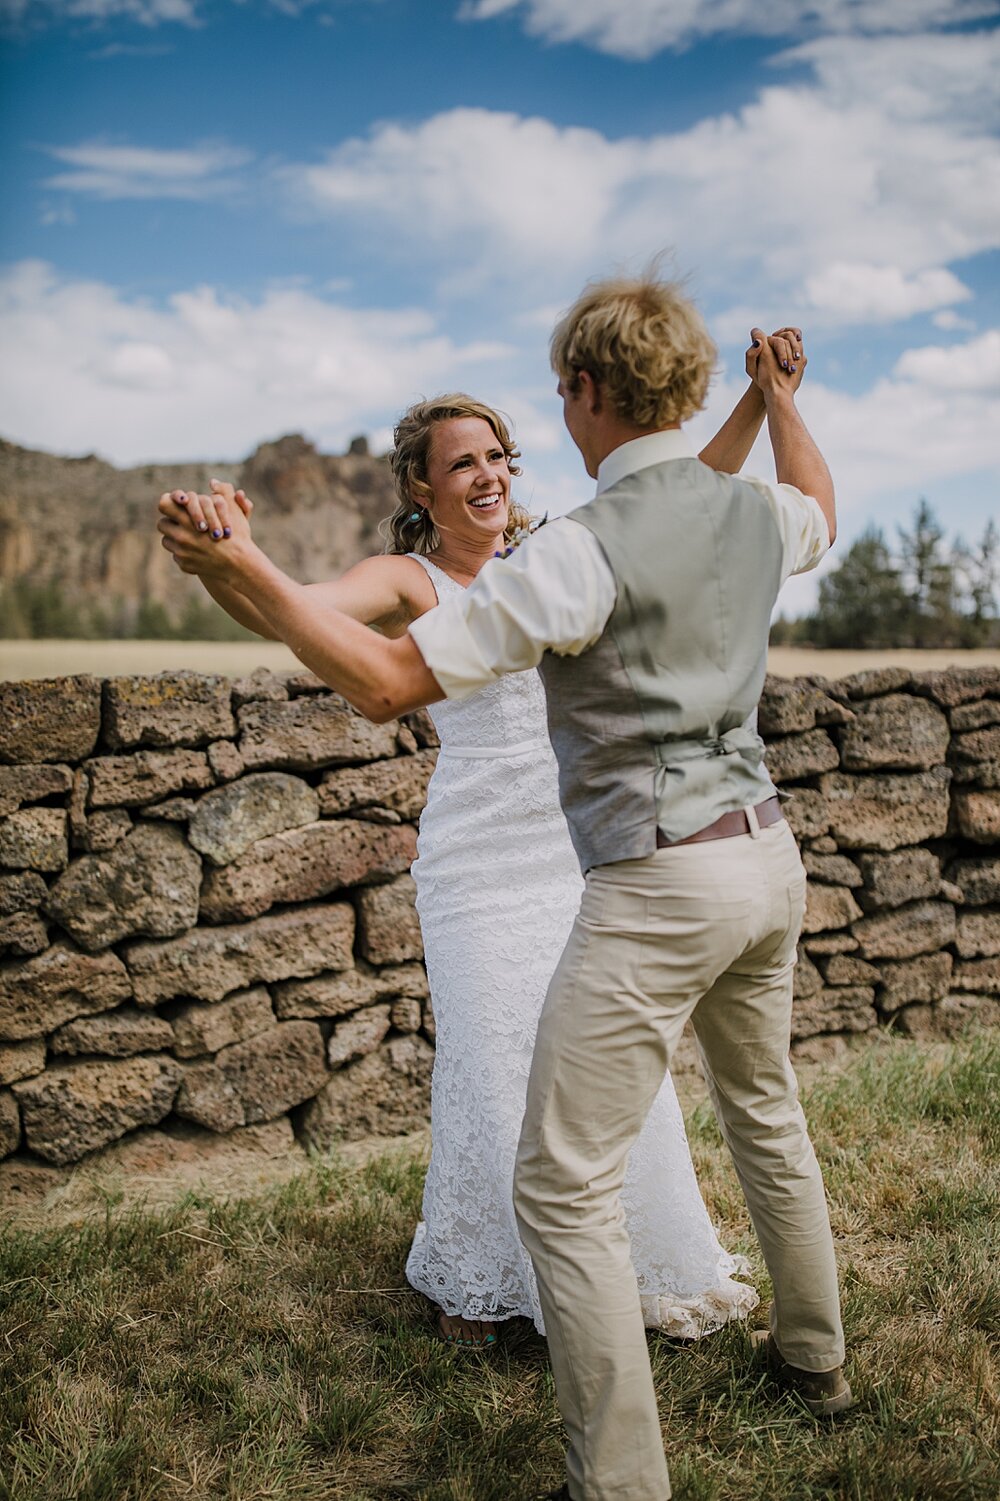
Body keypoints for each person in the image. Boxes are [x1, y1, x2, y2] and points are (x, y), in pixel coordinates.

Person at [158, 277, 850, 1501]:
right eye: (461, 459)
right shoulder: (742, 514)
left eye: (513, 438)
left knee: (561, 1181)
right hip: (764, 858)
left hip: (648, 880)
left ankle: (618, 1482)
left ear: (581, 393)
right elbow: (806, 506)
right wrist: (777, 400)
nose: (493, 469)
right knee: (767, 1113)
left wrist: (239, 559)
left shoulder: (570, 551)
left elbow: (379, 685)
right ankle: (815, 1364)